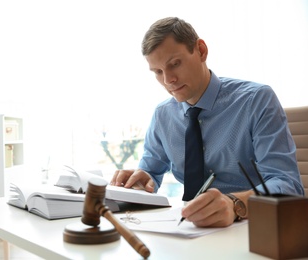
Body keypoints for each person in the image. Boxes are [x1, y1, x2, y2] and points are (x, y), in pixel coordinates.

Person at [110, 17, 304, 228]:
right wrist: (139, 183)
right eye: (157, 72)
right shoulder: (163, 115)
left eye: (175, 64)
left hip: (253, 228)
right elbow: (150, 172)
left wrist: (234, 204)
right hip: (189, 230)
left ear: (201, 51)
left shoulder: (256, 100)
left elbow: (288, 184)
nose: (168, 80)